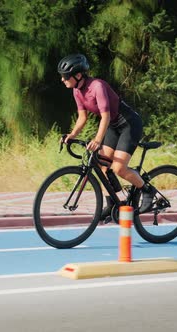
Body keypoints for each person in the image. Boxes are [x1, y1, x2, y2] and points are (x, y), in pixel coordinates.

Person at [58, 53, 155, 216]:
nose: (62, 80)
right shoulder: (77, 91)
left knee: (118, 168)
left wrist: (97, 140)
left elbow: (106, 116)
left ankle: (147, 190)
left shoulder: (97, 86)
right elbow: (82, 117)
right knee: (102, 166)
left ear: (78, 75)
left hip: (129, 124)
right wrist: (72, 134)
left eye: (65, 76)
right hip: (113, 126)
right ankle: (111, 204)